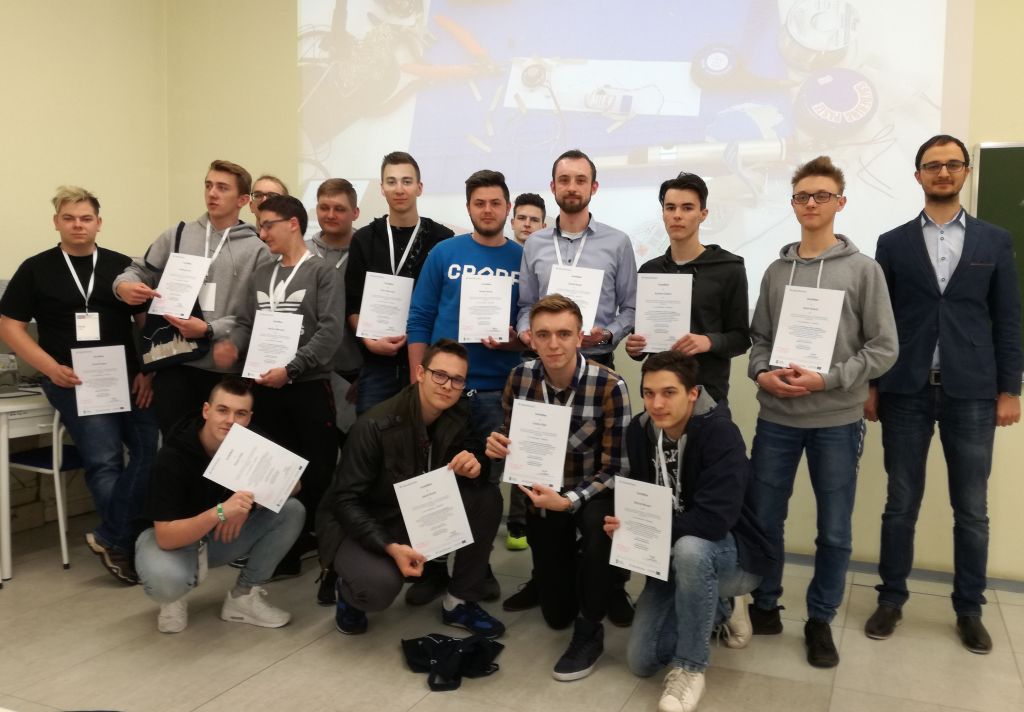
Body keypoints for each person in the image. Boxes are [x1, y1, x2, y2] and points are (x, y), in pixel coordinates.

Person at [863, 135, 1022, 654]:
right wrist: (872, 385)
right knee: (900, 504)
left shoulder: (994, 240)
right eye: (933, 165)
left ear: (966, 172)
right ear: (918, 176)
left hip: (973, 392)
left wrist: (1010, 389)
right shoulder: (892, 242)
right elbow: (879, 323)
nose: (943, 172)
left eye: (953, 164)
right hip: (904, 390)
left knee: (971, 510)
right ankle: (891, 599)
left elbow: (1008, 319)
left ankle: (969, 609)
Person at [747, 156, 897, 668]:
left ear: (840, 203)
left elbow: (884, 347)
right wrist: (761, 373)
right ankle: (764, 604)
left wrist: (828, 379)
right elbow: (760, 339)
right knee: (765, 518)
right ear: (793, 205)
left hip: (837, 420)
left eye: (822, 195)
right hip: (776, 418)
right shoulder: (775, 271)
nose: (811, 203)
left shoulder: (863, 270)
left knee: (833, 529)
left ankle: (820, 619)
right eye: (802, 196)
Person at [0, 186, 160, 584]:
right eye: (69, 218)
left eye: (86, 218)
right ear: (56, 222)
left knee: (153, 451)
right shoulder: (36, 269)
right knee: (105, 460)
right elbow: (10, 327)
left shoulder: (122, 268)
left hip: (129, 377)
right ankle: (125, 546)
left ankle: (113, 537)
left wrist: (148, 370)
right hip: (72, 380)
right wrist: (51, 368)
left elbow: (147, 324)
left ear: (98, 223)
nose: (77, 225)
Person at [606, 351, 773, 712]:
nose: (657, 404)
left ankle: (691, 668)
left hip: (732, 555)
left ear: (693, 393)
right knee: (642, 661)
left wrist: (650, 530)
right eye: (649, 393)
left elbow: (713, 523)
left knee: (692, 550)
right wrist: (625, 525)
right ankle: (722, 607)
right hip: (670, 555)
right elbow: (641, 498)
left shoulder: (720, 433)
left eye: (669, 393)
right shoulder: (639, 431)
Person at [316, 340, 505, 638]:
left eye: (457, 380)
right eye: (439, 375)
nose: (447, 386)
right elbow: (345, 502)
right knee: (378, 587)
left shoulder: (458, 413)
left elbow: (471, 454)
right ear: (420, 373)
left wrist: (476, 463)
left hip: (412, 511)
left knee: (486, 498)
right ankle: (348, 594)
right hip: (361, 521)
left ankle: (459, 601)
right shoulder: (374, 424)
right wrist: (390, 547)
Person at [486, 295, 631, 681]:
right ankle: (566, 579)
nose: (554, 344)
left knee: (599, 529)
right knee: (556, 615)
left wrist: (569, 501)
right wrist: (498, 443)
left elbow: (617, 468)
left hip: (593, 492)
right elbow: (509, 433)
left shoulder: (610, 385)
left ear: (580, 338)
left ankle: (593, 623)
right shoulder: (519, 378)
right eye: (544, 335)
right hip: (543, 492)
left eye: (564, 334)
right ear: (531, 339)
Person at [405, 169, 522, 605]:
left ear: (507, 207)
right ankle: (433, 567)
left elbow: (530, 329)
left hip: (496, 391)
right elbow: (420, 317)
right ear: (469, 207)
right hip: (442, 390)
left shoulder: (523, 258)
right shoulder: (444, 253)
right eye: (479, 203)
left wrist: (511, 340)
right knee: (435, 478)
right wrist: (418, 379)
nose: (487, 210)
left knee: (484, 485)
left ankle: (477, 566)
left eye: (495, 203)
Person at [219, 195, 343, 578]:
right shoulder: (262, 274)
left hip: (307, 387)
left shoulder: (323, 273)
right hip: (265, 389)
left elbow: (330, 333)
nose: (262, 233)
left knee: (315, 471)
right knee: (271, 472)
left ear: (293, 223)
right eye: (260, 226)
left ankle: (316, 549)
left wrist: (291, 369)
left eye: (268, 225)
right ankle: (278, 548)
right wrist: (233, 345)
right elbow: (246, 323)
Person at [134, 378, 304, 633]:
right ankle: (174, 599)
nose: (230, 421)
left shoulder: (251, 439)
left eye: (240, 414)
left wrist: (248, 503)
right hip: (175, 540)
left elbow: (295, 484)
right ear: (206, 410)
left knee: (291, 510)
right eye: (222, 410)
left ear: (249, 418)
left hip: (219, 539)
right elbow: (166, 537)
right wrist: (221, 512)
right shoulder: (172, 455)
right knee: (166, 582)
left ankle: (243, 597)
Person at [113, 159, 268, 436]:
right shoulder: (179, 234)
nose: (212, 193)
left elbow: (257, 313)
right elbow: (138, 271)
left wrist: (210, 329)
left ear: (243, 200)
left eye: (222, 188)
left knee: (219, 449)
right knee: (177, 444)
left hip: (224, 369)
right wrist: (124, 286)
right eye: (208, 185)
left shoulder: (257, 249)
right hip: (176, 361)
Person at [625, 173, 750, 403]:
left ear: (703, 214)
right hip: (658, 395)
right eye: (670, 208)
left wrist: (708, 341)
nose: (677, 215)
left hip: (706, 395)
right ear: (663, 213)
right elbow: (642, 342)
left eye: (687, 208)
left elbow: (741, 339)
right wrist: (635, 348)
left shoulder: (729, 268)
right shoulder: (649, 271)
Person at [345, 151, 454, 415]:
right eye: (391, 182)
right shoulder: (364, 239)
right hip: (377, 363)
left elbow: (447, 302)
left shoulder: (443, 239)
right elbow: (352, 303)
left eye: (407, 181)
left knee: (422, 433)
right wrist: (369, 341)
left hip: (428, 362)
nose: (399, 189)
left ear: (419, 187)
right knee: (371, 433)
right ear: (382, 188)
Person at [516, 149, 637, 369]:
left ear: (594, 187)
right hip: (542, 361)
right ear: (553, 187)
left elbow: (631, 308)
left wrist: (607, 334)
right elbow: (527, 305)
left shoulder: (618, 243)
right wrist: (525, 331)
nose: (572, 187)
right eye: (564, 180)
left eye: (581, 180)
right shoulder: (534, 243)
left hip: (595, 361)